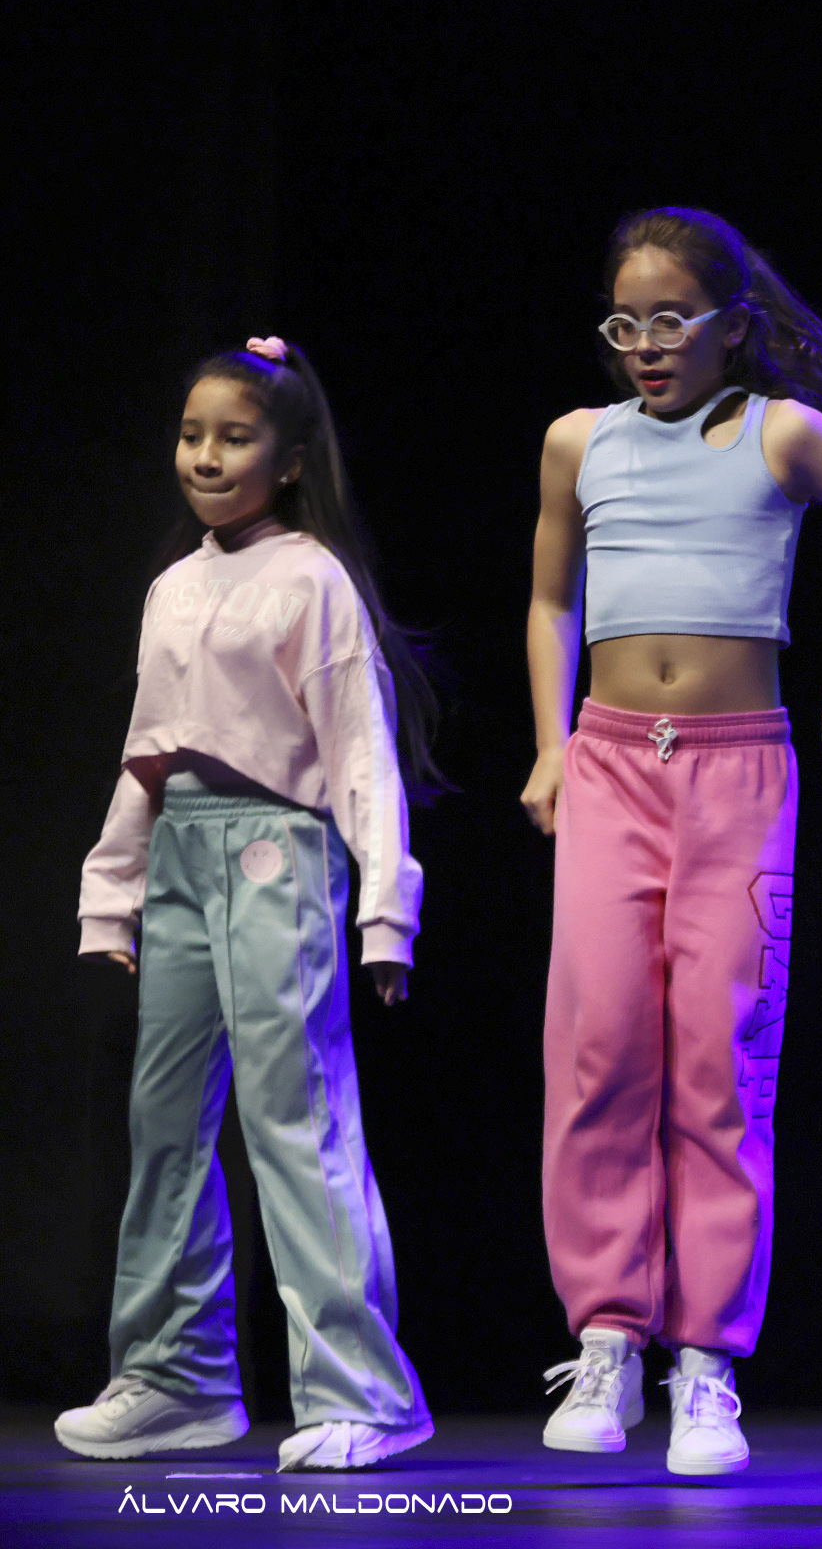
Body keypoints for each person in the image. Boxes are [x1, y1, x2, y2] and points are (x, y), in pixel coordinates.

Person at [524, 207, 822, 1475]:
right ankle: (607, 1334)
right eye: (625, 323)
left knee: (720, 1054)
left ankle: (706, 1359)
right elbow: (550, 597)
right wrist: (550, 744)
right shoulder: (579, 441)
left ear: (732, 325)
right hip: (608, 763)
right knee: (599, 1045)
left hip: (738, 771)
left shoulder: (782, 433)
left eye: (671, 319)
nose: (646, 345)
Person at [63, 337, 440, 1473]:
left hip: (280, 850)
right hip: (181, 854)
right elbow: (148, 752)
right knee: (166, 1122)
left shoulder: (310, 578)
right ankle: (177, 1375)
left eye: (234, 437)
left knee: (296, 1118)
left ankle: (362, 1390)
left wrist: (386, 910)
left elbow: (361, 751)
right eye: (192, 435)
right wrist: (110, 892)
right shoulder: (174, 586)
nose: (207, 456)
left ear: (290, 458)